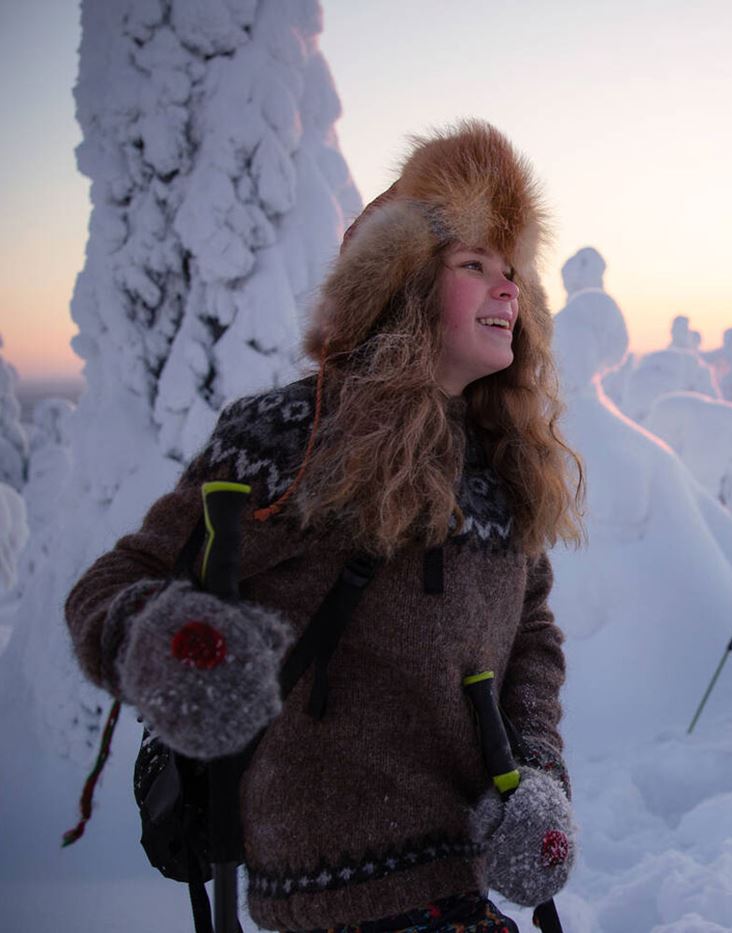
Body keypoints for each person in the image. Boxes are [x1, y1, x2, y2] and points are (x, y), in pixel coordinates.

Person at [65, 121, 583, 932]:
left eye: (513, 270)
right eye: (475, 264)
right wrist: (179, 647)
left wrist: (539, 775)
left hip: (462, 889)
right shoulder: (294, 439)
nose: (508, 288)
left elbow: (531, 634)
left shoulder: (497, 463)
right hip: (334, 905)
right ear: (404, 284)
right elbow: (116, 584)